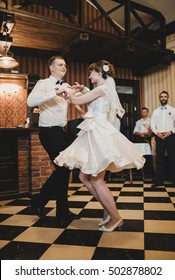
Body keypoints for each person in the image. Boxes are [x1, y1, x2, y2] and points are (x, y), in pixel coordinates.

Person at [54, 60, 145, 232]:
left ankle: (115, 216)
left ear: (99, 73)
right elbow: (91, 99)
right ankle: (107, 208)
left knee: (96, 179)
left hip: (99, 133)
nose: (89, 76)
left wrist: (69, 90)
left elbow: (75, 100)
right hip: (94, 131)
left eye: (91, 73)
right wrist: (82, 90)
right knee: (83, 177)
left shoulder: (102, 89)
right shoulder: (102, 89)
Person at [27, 55, 87, 227]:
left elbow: (85, 95)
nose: (64, 67)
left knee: (64, 170)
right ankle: (46, 205)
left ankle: (56, 209)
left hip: (61, 131)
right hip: (48, 131)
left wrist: (82, 89)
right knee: (63, 168)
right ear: (51, 68)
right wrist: (54, 92)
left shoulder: (67, 86)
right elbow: (30, 101)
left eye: (65, 65)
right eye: (60, 64)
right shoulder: (43, 84)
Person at [151, 90, 175, 187]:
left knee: (172, 159)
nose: (163, 98)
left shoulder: (173, 110)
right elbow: (152, 124)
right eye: (162, 96)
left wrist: (171, 132)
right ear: (159, 98)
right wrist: (157, 133)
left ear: (167, 98)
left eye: (165, 96)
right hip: (159, 137)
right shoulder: (155, 111)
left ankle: (174, 180)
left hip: (171, 137)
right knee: (160, 159)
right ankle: (160, 180)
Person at [133, 107, 155, 180]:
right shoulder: (138, 122)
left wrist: (146, 133)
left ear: (147, 113)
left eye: (145, 112)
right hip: (140, 139)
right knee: (140, 155)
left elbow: (152, 132)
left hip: (148, 139)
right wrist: (139, 133)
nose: (143, 113)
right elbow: (135, 131)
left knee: (148, 156)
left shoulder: (151, 121)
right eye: (142, 112)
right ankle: (140, 172)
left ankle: (149, 172)